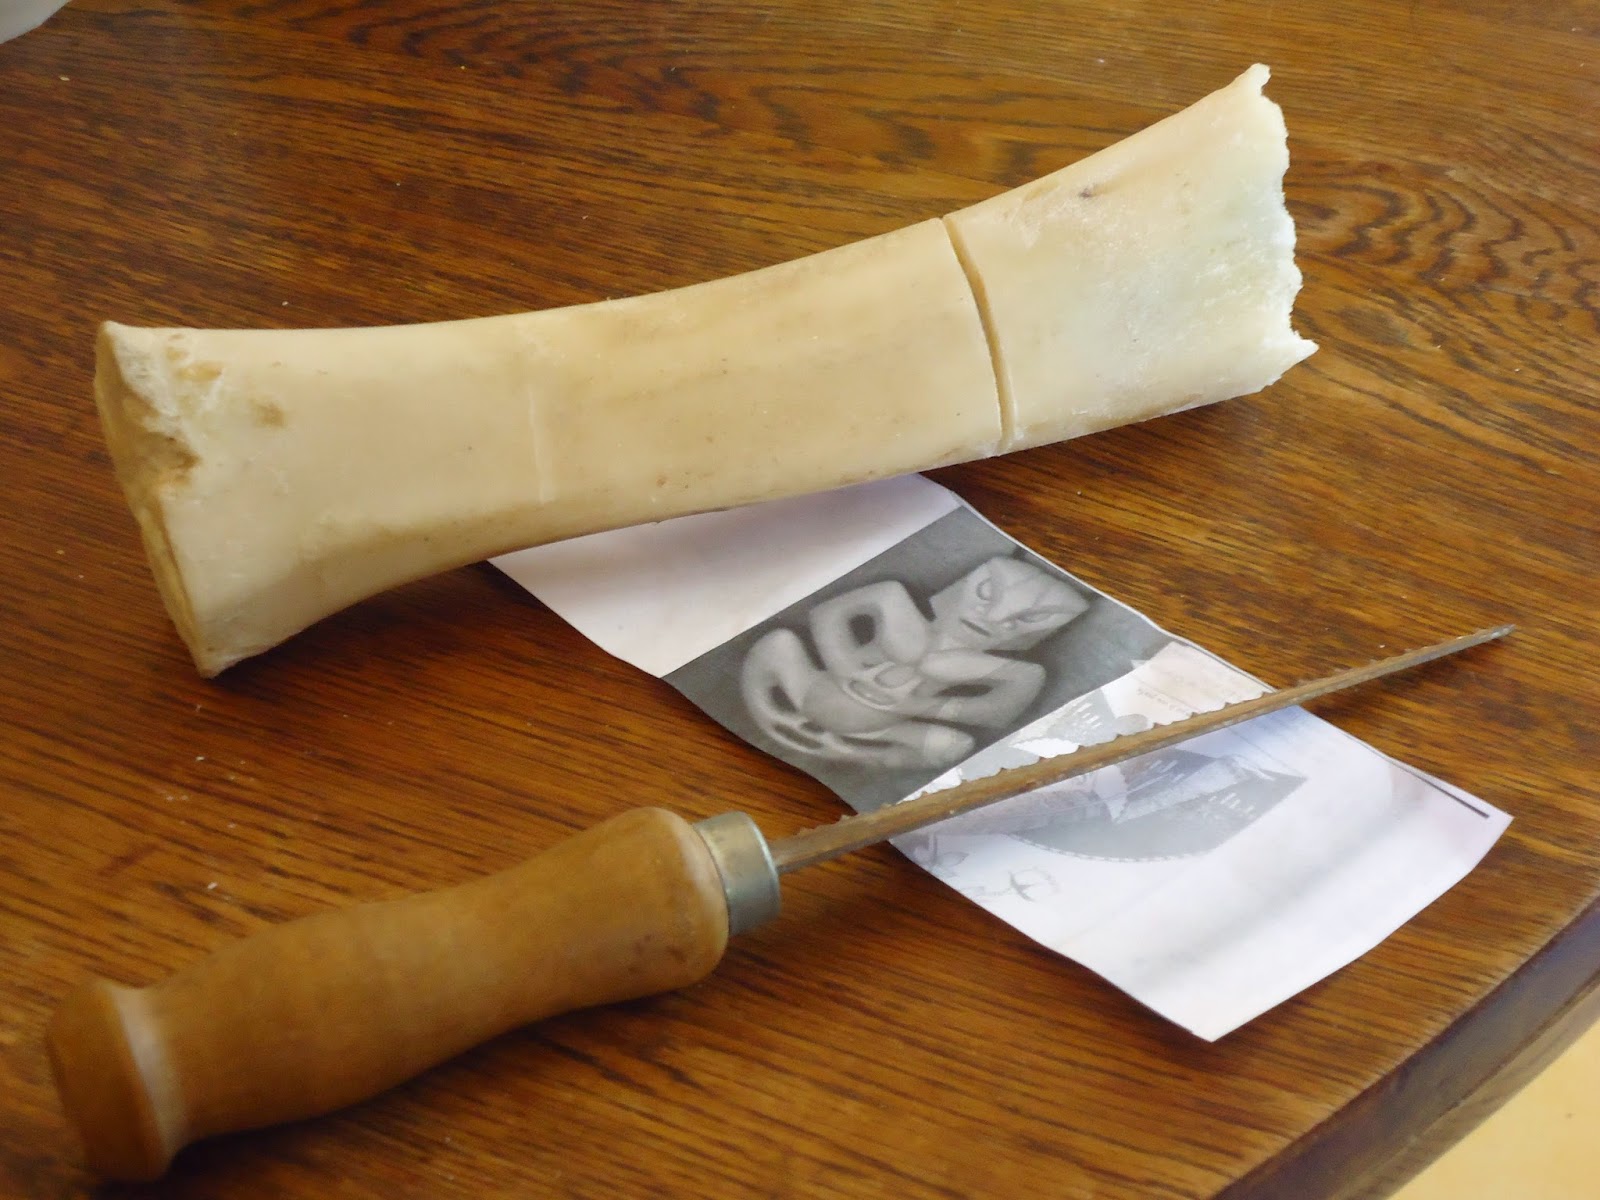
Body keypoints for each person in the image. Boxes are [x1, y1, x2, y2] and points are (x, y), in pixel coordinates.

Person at [740, 554, 1087, 769]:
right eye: (986, 594)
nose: (995, 618)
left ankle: (860, 755)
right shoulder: (891, 599)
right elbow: (827, 615)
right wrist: (846, 669)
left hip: (885, 727)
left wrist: (923, 705)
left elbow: (997, 714)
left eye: (1029, 617)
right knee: (778, 643)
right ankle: (809, 731)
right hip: (813, 686)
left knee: (952, 747)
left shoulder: (1017, 673)